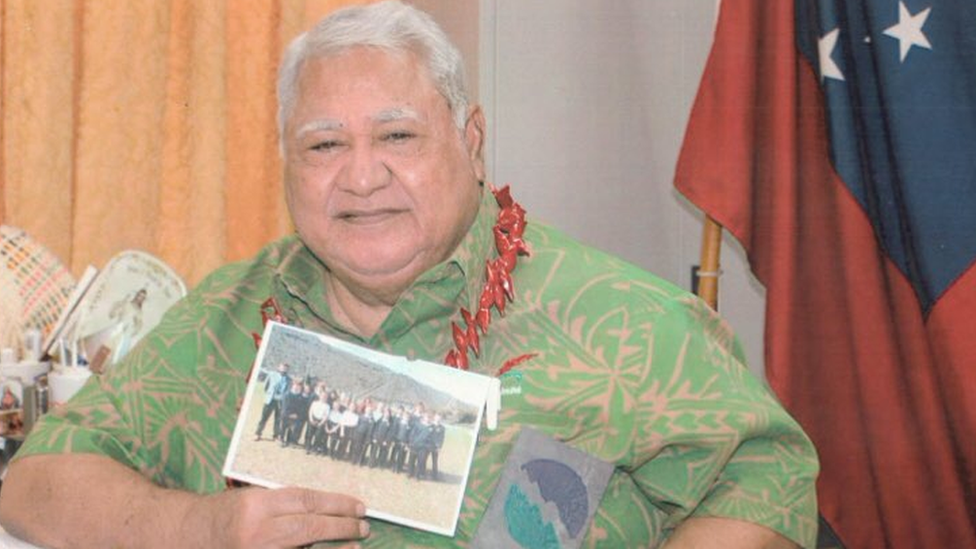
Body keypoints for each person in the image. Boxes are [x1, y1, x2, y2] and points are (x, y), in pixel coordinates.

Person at [0, 2, 819, 548]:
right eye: (324, 145)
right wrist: (203, 525)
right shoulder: (223, 318)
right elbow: (36, 478)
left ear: (470, 139)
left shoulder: (628, 322)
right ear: (286, 162)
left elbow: (769, 476)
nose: (360, 178)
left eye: (397, 137)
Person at [253, 362, 290, 441]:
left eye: (285, 368)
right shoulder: (272, 375)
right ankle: (258, 433)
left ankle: (276, 436)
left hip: (280, 402)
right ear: (279, 367)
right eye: (282, 367)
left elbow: (288, 391)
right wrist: (269, 395)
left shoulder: (288, 379)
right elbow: (266, 386)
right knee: (264, 418)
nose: (284, 369)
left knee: (278, 419)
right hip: (270, 400)